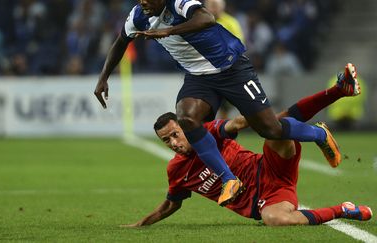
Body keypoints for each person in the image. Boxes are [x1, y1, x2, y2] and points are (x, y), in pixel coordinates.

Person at [93, 0, 360, 207]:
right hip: (199, 77)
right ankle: (229, 179)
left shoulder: (179, 4)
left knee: (270, 130)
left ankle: (318, 133)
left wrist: (169, 31)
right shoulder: (138, 16)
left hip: (232, 68)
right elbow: (120, 42)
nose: (142, 2)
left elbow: (206, 18)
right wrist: (104, 77)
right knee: (186, 118)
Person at [122, 76, 372, 227]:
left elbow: (238, 123)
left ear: (185, 126)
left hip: (271, 166)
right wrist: (141, 224)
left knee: (274, 127)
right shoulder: (176, 170)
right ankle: (344, 209)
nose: (174, 142)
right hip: (268, 200)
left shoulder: (207, 131)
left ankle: (334, 102)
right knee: (276, 220)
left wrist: (260, 117)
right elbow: (170, 204)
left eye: (175, 134)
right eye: (167, 140)